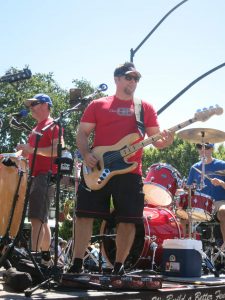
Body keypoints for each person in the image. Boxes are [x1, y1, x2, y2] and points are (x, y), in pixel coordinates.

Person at [68, 62, 174, 275]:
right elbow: (82, 133)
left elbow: (157, 140)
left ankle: (118, 266)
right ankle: (77, 263)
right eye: (128, 77)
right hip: (96, 166)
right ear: (116, 79)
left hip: (129, 172)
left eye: (136, 78)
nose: (133, 81)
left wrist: (167, 141)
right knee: (84, 215)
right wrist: (86, 153)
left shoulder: (145, 108)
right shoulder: (98, 104)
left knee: (128, 219)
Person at [17, 93, 64, 266]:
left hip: (46, 175)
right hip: (37, 175)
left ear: (45, 105)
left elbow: (55, 150)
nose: (31, 108)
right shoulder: (38, 127)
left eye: (34, 104)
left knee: (37, 218)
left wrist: (30, 148)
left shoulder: (52, 125)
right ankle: (44, 259)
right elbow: (33, 151)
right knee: (41, 219)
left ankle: (34, 257)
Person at [186, 143, 225, 248]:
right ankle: (186, 246)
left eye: (206, 147)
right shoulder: (194, 168)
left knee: (223, 211)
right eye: (200, 147)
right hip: (200, 204)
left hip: (219, 203)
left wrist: (221, 183)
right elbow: (188, 188)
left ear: (212, 149)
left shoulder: (222, 165)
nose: (203, 150)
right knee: (182, 215)